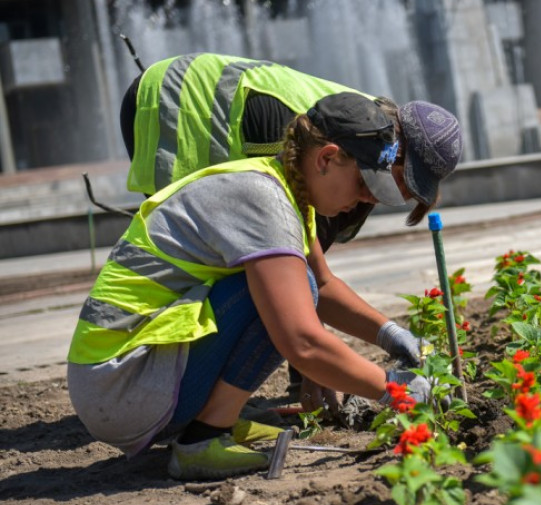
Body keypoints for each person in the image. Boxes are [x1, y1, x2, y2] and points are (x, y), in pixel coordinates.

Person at [68, 92, 433, 480]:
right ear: (326, 159)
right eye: (363, 182)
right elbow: (302, 341)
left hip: (118, 378)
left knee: (299, 286)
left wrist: (390, 335)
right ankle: (204, 438)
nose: (365, 199)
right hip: (121, 385)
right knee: (288, 296)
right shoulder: (264, 201)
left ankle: (211, 418)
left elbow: (325, 287)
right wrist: (393, 389)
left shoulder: (285, 188)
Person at [119, 52, 464, 411]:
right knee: (228, 275)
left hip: (208, 101)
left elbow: (317, 279)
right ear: (393, 153)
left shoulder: (352, 141)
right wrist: (321, 369)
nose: (391, 198)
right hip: (176, 102)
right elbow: (293, 279)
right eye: (403, 183)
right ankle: (182, 404)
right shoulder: (321, 140)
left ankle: (202, 404)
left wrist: (391, 336)